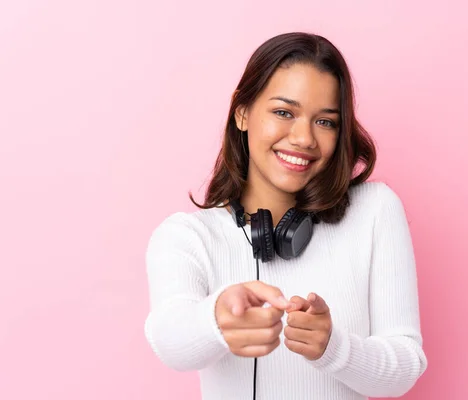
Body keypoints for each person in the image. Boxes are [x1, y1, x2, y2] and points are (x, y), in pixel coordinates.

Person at [143, 32, 428, 400]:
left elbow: (405, 368)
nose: (304, 138)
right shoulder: (186, 236)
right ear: (242, 113)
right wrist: (215, 319)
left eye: (325, 122)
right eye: (284, 112)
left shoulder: (374, 211)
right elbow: (169, 338)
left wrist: (334, 348)